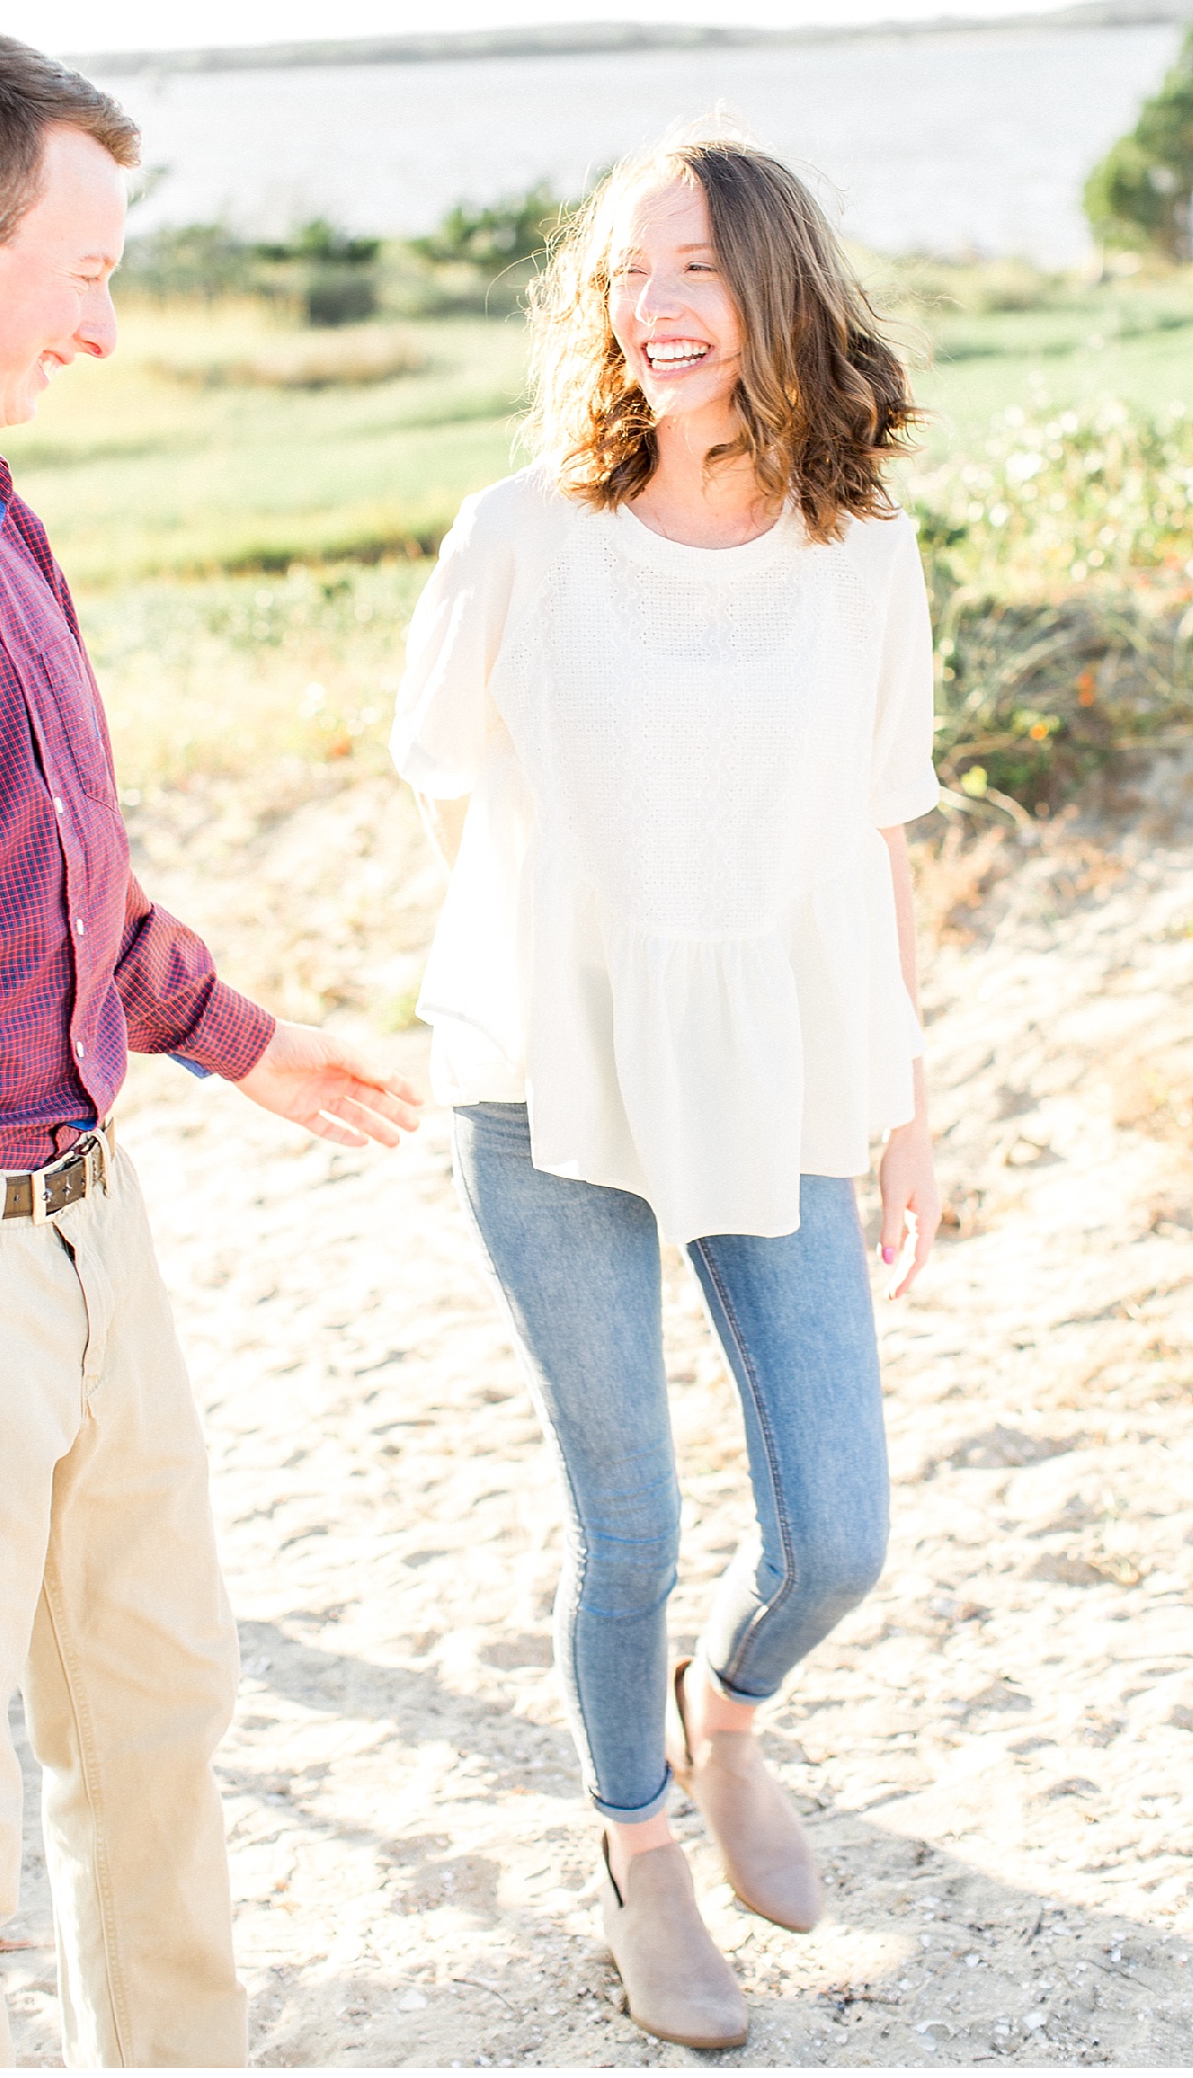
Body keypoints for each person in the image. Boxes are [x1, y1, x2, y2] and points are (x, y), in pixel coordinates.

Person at [0, 20, 420, 2070]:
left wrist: (241, 1039)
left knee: (159, 1745)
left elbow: (58, 883)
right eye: (88, 270)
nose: (106, 328)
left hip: (96, 1239)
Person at [389, 137, 942, 2050]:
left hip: (778, 1067)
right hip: (554, 1082)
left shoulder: (866, 548)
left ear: (775, 279)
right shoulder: (523, 533)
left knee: (839, 1533)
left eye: (695, 263)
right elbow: (450, 789)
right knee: (622, 1523)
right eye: (629, 273)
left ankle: (730, 1716)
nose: (657, 304)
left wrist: (909, 1100)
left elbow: (878, 837)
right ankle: (638, 1854)